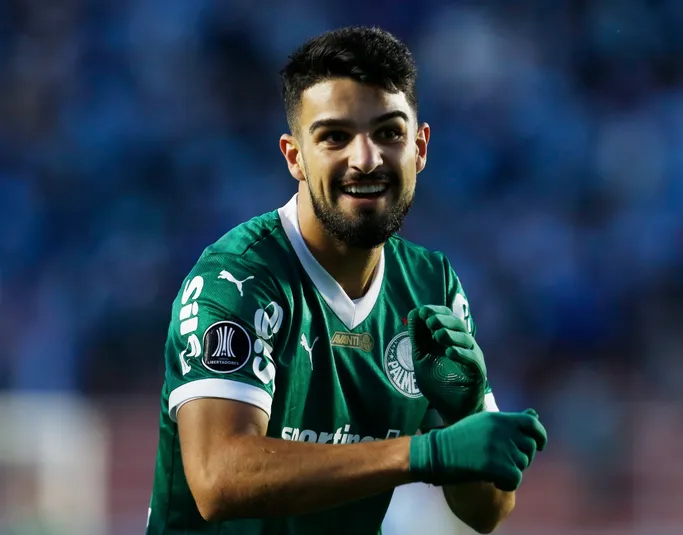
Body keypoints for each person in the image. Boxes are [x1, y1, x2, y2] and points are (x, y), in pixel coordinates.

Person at [146, 26, 547, 535]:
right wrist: (423, 453)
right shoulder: (239, 279)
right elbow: (219, 477)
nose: (366, 159)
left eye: (389, 133)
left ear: (420, 147)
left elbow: (486, 511)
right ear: (295, 157)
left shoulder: (432, 286)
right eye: (335, 137)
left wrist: (466, 413)